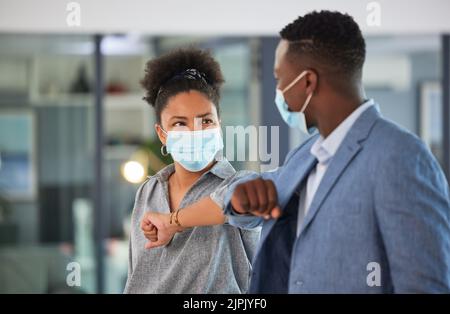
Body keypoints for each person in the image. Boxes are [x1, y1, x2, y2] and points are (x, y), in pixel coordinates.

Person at [142, 11, 450, 293]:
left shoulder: (401, 156)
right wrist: (182, 218)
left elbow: (425, 284)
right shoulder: (308, 156)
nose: (278, 89)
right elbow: (245, 198)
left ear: (307, 82)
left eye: (279, 78)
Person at [123, 48, 260, 294]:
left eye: (205, 121)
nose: (195, 132)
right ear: (162, 134)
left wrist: (172, 222)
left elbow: (237, 202)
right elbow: (137, 273)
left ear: (219, 125)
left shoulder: (239, 184)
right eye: (179, 123)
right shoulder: (149, 191)